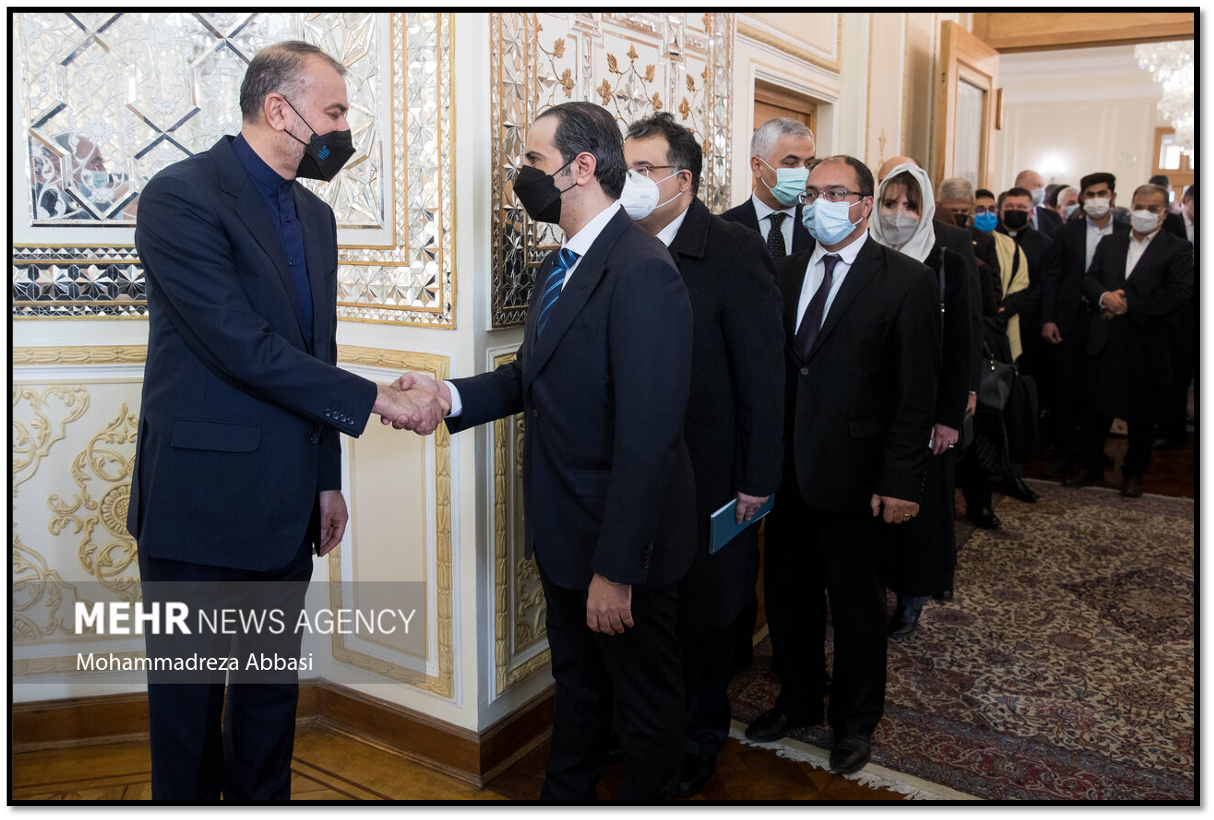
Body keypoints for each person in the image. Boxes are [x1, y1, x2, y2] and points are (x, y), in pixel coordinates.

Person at [128, 41, 444, 799]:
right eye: (333, 111)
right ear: (279, 109)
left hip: (286, 504)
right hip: (198, 505)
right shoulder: (179, 196)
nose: (342, 128)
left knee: (270, 705)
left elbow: (314, 349)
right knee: (189, 722)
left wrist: (325, 480)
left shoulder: (313, 213)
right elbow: (240, 344)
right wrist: (374, 398)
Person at [398, 102, 697, 799]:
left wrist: (615, 570)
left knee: (645, 709)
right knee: (580, 688)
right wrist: (447, 396)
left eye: (533, 160)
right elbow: (533, 378)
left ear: (581, 166)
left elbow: (650, 436)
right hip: (566, 533)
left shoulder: (641, 269)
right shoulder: (560, 265)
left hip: (623, 549)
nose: (522, 175)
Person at [744, 155, 939, 776]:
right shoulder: (784, 268)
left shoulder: (905, 281)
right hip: (787, 474)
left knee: (857, 612)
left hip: (858, 481)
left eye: (837, 192)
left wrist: (901, 481)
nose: (822, 203)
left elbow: (915, 396)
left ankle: (855, 722)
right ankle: (800, 697)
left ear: (863, 203)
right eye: (814, 192)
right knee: (790, 600)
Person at [621, 112, 785, 798]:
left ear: (681, 180)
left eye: (641, 171)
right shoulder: (620, 245)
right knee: (650, 616)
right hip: (643, 472)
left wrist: (756, 480)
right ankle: (650, 733)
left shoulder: (732, 250)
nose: (626, 183)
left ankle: (700, 738)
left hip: (715, 473)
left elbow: (764, 376)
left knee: (709, 618)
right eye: (620, 169)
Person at [869, 163, 972, 640]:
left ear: (926, 206)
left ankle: (911, 598)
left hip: (926, 410)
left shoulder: (946, 258)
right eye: (890, 203)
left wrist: (949, 418)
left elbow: (961, 344)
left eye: (910, 205)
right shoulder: (862, 250)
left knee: (920, 510)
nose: (899, 214)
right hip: (871, 408)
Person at [1065, 184, 1193, 497]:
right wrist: (1105, 297)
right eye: (1140, 206)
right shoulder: (1110, 242)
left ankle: (1134, 473)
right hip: (1105, 340)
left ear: (1164, 212)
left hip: (1147, 342)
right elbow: (1090, 280)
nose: (1144, 213)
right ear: (1130, 205)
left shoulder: (1178, 249)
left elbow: (1177, 293)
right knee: (1096, 410)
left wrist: (1126, 305)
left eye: (1152, 208)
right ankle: (1090, 467)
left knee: (1141, 416)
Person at [1039, 172, 1130, 478]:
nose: (1095, 200)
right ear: (1082, 198)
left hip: (1108, 321)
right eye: (1089, 195)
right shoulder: (1069, 233)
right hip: (1071, 319)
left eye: (1101, 193)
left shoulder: (1128, 232)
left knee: (1100, 392)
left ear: (1113, 197)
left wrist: (1117, 303)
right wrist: (1049, 318)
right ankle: (1065, 452)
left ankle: (1093, 454)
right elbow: (1052, 277)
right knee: (1066, 390)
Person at [719, 117, 816, 260]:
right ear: (757, 165)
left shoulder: (817, 225)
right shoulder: (723, 227)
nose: (803, 173)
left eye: (808, 164)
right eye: (791, 163)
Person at [1014, 168, 1063, 238]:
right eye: (1037, 185)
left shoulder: (1053, 217)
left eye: (1042, 186)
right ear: (1021, 187)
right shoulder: (1008, 214)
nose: (1041, 190)